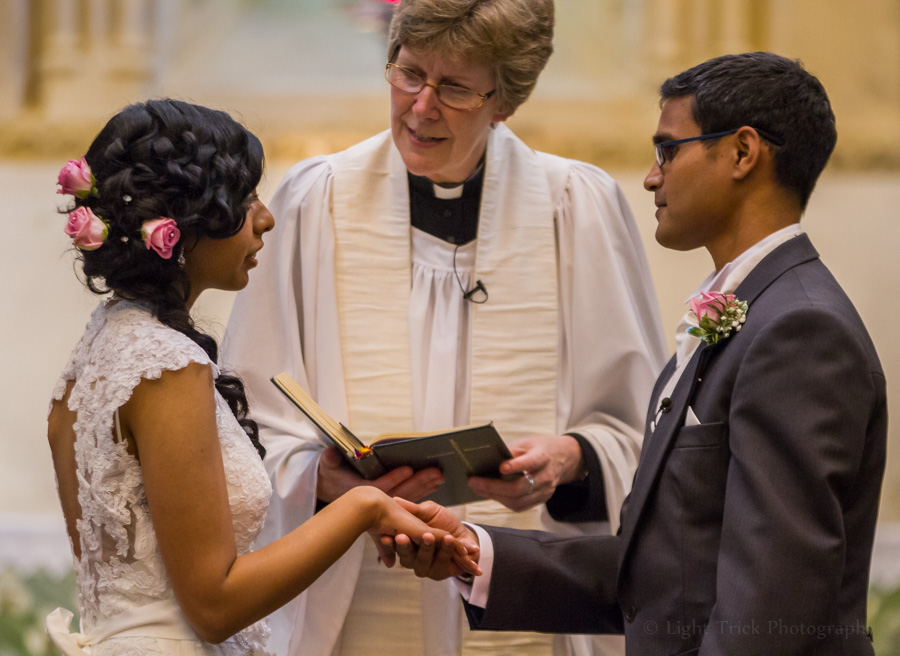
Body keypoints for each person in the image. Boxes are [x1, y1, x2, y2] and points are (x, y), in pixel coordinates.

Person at [388, 52, 888, 655]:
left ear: (742, 152)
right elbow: (666, 572)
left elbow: (770, 603)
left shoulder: (800, 329)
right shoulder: (749, 309)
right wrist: (475, 549)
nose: (652, 177)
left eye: (668, 150)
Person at [221, 0, 667, 654]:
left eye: (454, 88)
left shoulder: (577, 208)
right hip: (355, 608)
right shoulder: (317, 201)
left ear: (505, 100)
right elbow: (247, 416)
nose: (420, 107)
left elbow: (642, 436)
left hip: (526, 607)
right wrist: (328, 480)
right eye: (407, 74)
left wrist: (568, 461)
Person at [45, 99, 477, 656]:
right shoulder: (162, 364)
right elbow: (214, 605)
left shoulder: (98, 353)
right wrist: (362, 507)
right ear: (185, 222)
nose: (266, 217)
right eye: (245, 198)